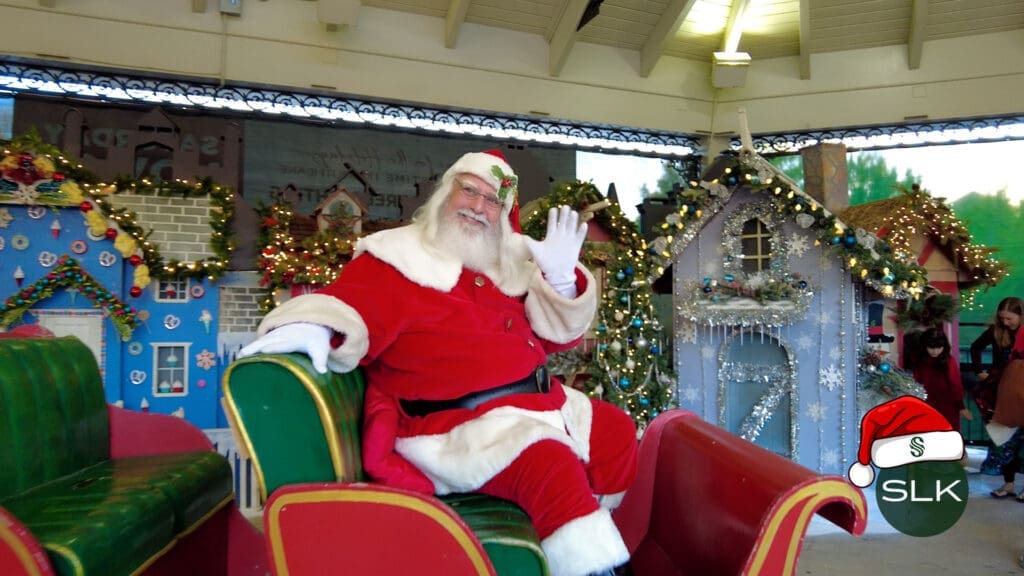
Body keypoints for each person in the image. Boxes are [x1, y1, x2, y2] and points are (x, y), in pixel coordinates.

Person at [239, 149, 637, 576]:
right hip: (459, 429)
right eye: (470, 190)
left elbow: (558, 338)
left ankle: (581, 537)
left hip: (540, 405)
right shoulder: (398, 257)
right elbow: (348, 306)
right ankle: (594, 565)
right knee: (549, 464)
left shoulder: (504, 265)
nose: (479, 207)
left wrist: (559, 279)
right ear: (447, 191)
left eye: (493, 201)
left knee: (616, 431)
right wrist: (312, 327)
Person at [970, 296, 1024, 499]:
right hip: (999, 389)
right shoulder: (996, 331)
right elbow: (976, 347)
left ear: (1020, 316)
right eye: (1002, 318)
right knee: (1002, 438)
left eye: (1010, 318)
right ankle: (1008, 483)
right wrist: (979, 371)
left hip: (1021, 388)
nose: (1005, 322)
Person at [912, 327, 971, 433]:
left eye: (939, 347)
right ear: (924, 346)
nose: (935, 351)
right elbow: (916, 382)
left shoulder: (948, 361)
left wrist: (960, 406)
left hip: (947, 405)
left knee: (946, 434)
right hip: (926, 403)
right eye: (931, 347)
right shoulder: (919, 361)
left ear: (944, 347)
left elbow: (955, 385)